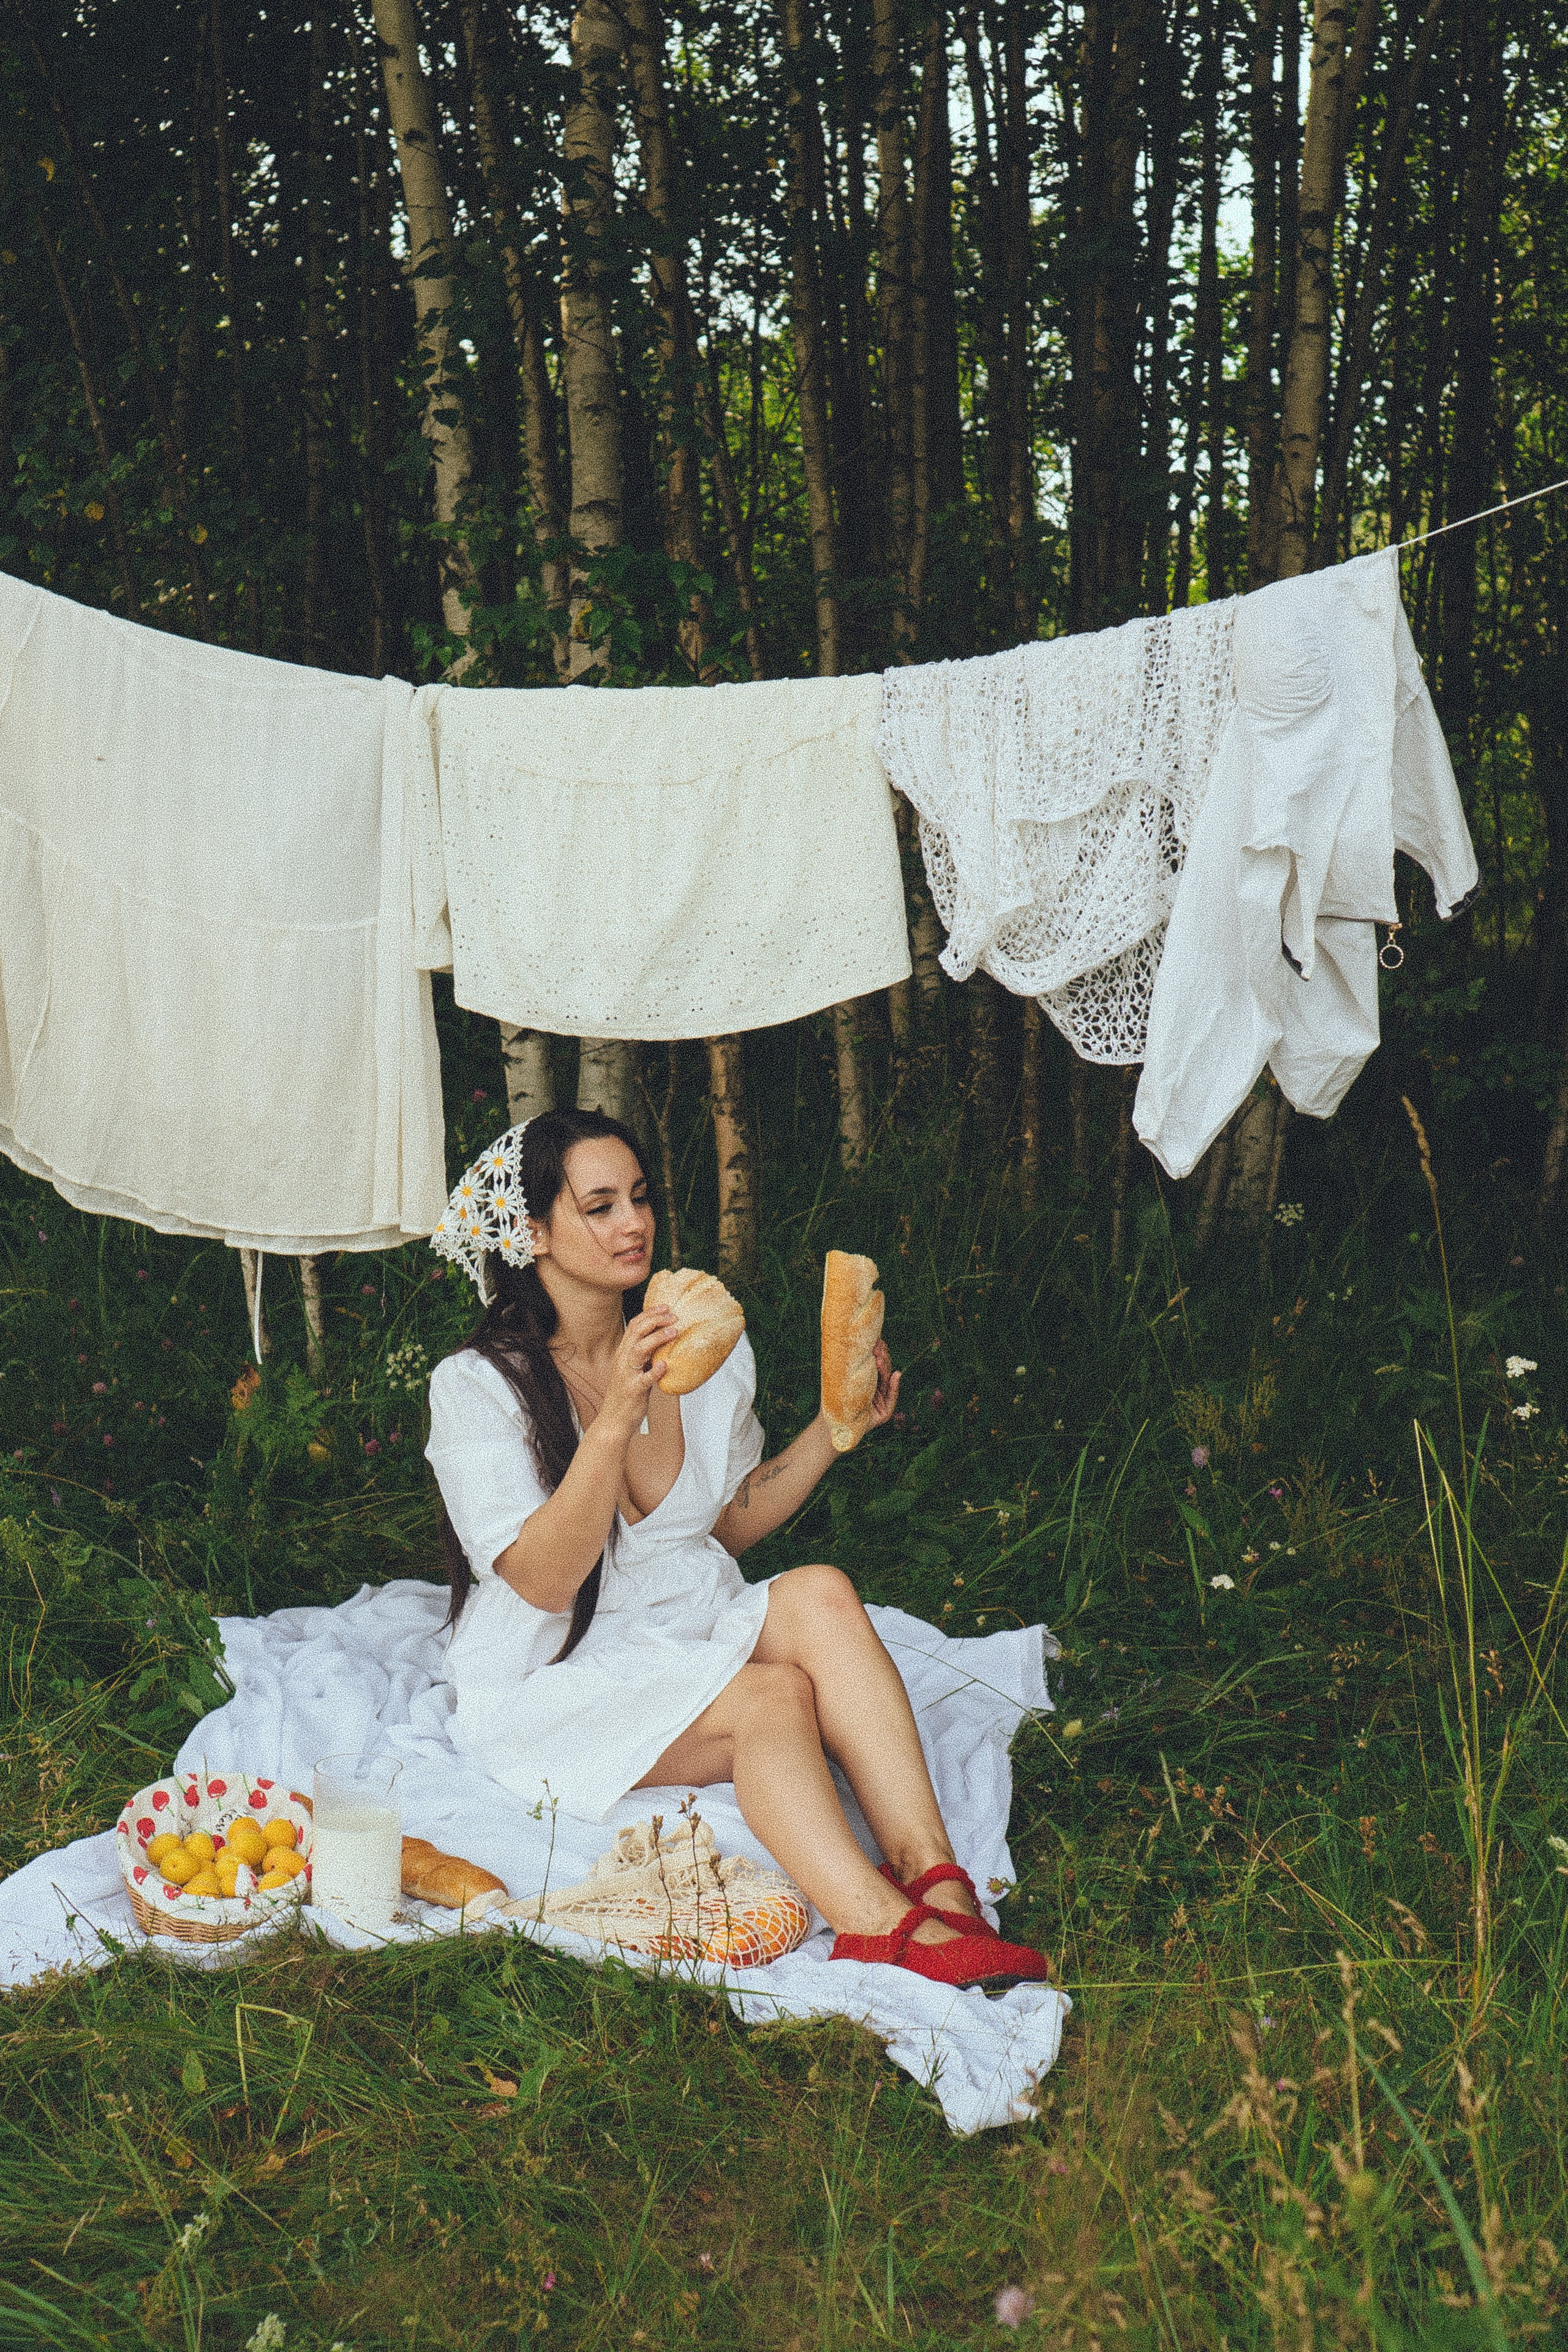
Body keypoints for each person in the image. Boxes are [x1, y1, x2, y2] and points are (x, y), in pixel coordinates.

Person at [424, 1107, 1050, 1988]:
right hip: (556, 1669)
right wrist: (613, 1418)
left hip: (681, 1618)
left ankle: (933, 1880)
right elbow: (541, 1580)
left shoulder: (702, 1339)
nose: (634, 1223)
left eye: (639, 1198)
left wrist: (834, 1432)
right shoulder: (477, 1385)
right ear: (533, 1233)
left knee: (822, 1590)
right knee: (771, 1699)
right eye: (599, 1206)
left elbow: (715, 1527)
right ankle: (876, 1928)